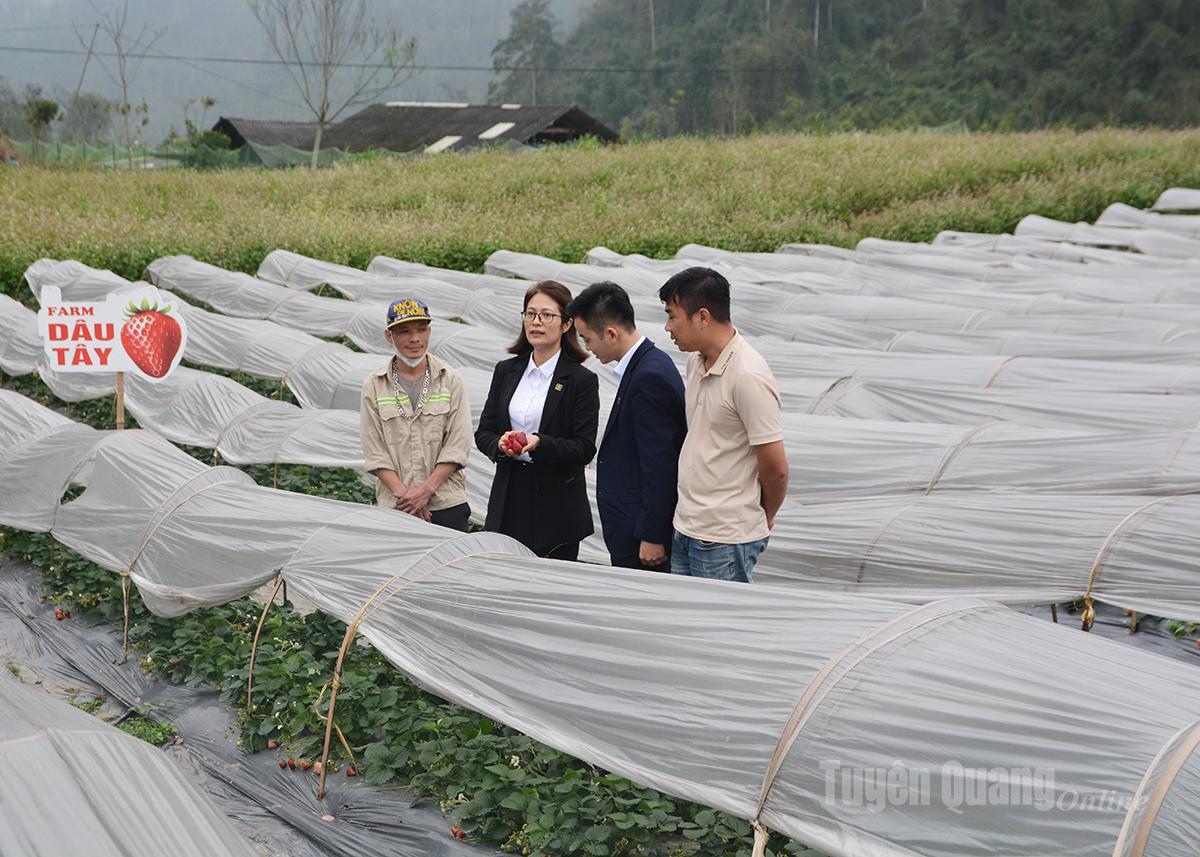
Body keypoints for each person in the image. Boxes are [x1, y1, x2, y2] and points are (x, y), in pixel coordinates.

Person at [659, 267, 788, 582]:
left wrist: (764, 515)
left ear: (702, 316)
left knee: (714, 628)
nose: (667, 327)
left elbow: (775, 466)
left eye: (672, 316)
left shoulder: (747, 375)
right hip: (687, 524)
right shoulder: (696, 360)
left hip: (725, 538)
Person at [475, 281, 600, 560]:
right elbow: (484, 431)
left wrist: (539, 444)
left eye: (546, 315)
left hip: (556, 507)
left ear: (566, 324)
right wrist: (500, 443)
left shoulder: (581, 380)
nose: (536, 322)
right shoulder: (506, 370)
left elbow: (583, 447)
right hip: (509, 497)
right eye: (530, 314)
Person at [567, 281, 686, 571]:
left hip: (640, 539)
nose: (587, 347)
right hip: (630, 531)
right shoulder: (643, 366)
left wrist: (652, 534)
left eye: (587, 339)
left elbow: (660, 463)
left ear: (611, 333)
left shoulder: (649, 377)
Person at [360, 298, 473, 531]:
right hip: (396, 505)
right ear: (389, 336)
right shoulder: (374, 384)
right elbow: (374, 449)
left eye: (421, 330)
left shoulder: (450, 380)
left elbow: (458, 443)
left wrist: (425, 491)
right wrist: (406, 496)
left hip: (445, 503)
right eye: (404, 331)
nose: (415, 339)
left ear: (429, 332)